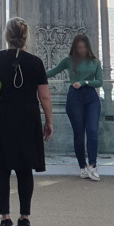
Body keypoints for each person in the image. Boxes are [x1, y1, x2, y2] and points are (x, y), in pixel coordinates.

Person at [0, 18, 52, 226]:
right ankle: (25, 219)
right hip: (28, 120)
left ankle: (5, 219)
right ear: (25, 37)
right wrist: (48, 121)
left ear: (6, 36)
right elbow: (45, 96)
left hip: (0, 120)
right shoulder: (36, 62)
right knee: (24, 168)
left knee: (1, 168)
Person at [46, 35, 104, 181]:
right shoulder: (69, 61)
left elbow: (99, 82)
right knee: (79, 133)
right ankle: (82, 166)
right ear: (75, 48)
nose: (82, 50)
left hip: (91, 97)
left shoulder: (95, 62)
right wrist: (33, 74)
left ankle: (93, 165)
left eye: (84, 47)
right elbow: (52, 72)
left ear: (88, 47)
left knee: (92, 130)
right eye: (79, 47)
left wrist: (84, 82)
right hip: (75, 98)